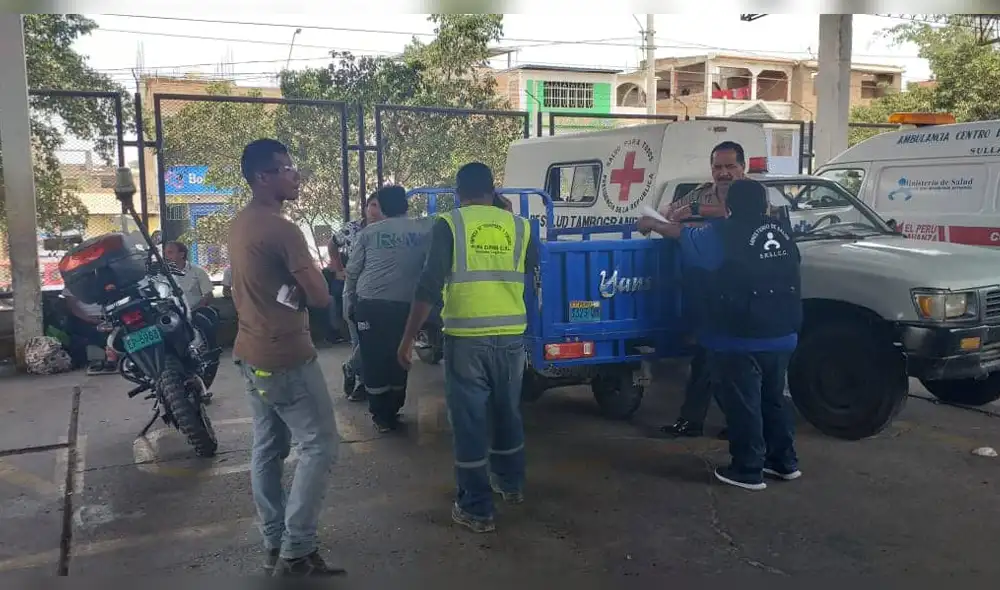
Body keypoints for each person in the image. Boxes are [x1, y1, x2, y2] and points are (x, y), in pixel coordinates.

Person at [398, 162, 538, 533]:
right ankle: (511, 483)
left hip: (467, 337)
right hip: (511, 335)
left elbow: (428, 285)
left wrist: (408, 338)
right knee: (507, 411)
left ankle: (476, 508)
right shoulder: (521, 226)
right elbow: (532, 271)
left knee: (470, 421)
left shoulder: (450, 224)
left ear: (458, 192)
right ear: (493, 190)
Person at [638, 178, 801, 491]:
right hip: (783, 330)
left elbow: (681, 235)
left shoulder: (721, 234)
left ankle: (748, 469)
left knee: (744, 404)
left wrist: (652, 223)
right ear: (765, 205)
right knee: (773, 400)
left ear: (729, 206)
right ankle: (783, 462)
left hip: (741, 335)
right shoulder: (782, 232)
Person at [228, 138, 344, 577]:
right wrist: (317, 278)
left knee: (268, 447)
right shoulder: (283, 230)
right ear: (263, 177)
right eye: (287, 168)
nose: (296, 176)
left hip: (250, 351)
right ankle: (297, 547)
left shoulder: (241, 223)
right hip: (285, 356)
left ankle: (274, 540)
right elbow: (320, 296)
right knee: (320, 445)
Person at [657, 140, 748, 441]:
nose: (724, 173)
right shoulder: (701, 191)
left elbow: (737, 215)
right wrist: (668, 213)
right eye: (718, 167)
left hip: (739, 291)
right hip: (704, 289)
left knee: (728, 363)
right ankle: (695, 420)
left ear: (743, 167)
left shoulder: (752, 193)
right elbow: (671, 211)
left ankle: (738, 424)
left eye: (730, 166)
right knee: (705, 357)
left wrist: (695, 210)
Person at [345, 186, 433, 432]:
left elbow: (352, 271)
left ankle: (381, 415)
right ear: (406, 204)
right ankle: (393, 408)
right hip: (407, 306)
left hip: (369, 304)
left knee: (374, 357)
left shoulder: (369, 233)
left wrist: (351, 301)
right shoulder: (424, 229)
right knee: (400, 354)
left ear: (382, 207)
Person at [62, 287, 117, 375]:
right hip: (85, 319)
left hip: (108, 316)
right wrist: (91, 320)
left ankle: (111, 357)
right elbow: (73, 307)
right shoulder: (73, 285)